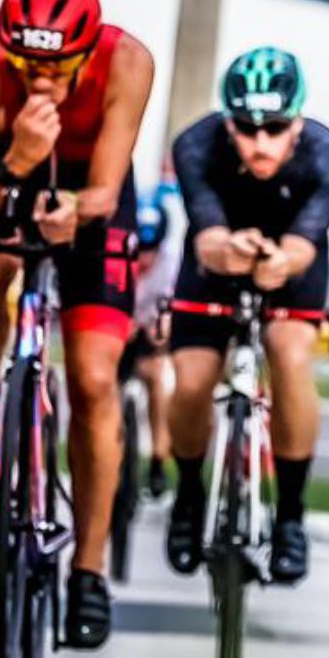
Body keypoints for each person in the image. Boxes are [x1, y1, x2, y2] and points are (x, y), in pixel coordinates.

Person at [0, 0, 155, 648]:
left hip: (92, 197)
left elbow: (107, 190)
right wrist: (18, 161)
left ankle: (88, 572)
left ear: (87, 51)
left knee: (94, 381)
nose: (39, 81)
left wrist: (75, 212)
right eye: (26, 64)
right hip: (12, 176)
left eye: (57, 68)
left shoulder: (127, 61)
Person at [164, 48, 329, 587]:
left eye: (275, 128)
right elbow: (207, 237)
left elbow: (304, 245)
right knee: (193, 381)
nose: (261, 142)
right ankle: (188, 494)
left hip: (291, 264)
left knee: (290, 357)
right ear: (228, 123)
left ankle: (291, 517)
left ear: (298, 122)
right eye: (247, 129)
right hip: (215, 263)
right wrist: (227, 251)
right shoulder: (195, 145)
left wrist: (280, 262)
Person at [124, 186, 178, 499]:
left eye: (151, 250)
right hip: (117, 327)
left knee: (158, 377)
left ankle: (159, 456)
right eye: (139, 250)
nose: (144, 259)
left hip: (148, 331)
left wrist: (161, 327)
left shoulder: (170, 264)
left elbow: (170, 308)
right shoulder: (118, 252)